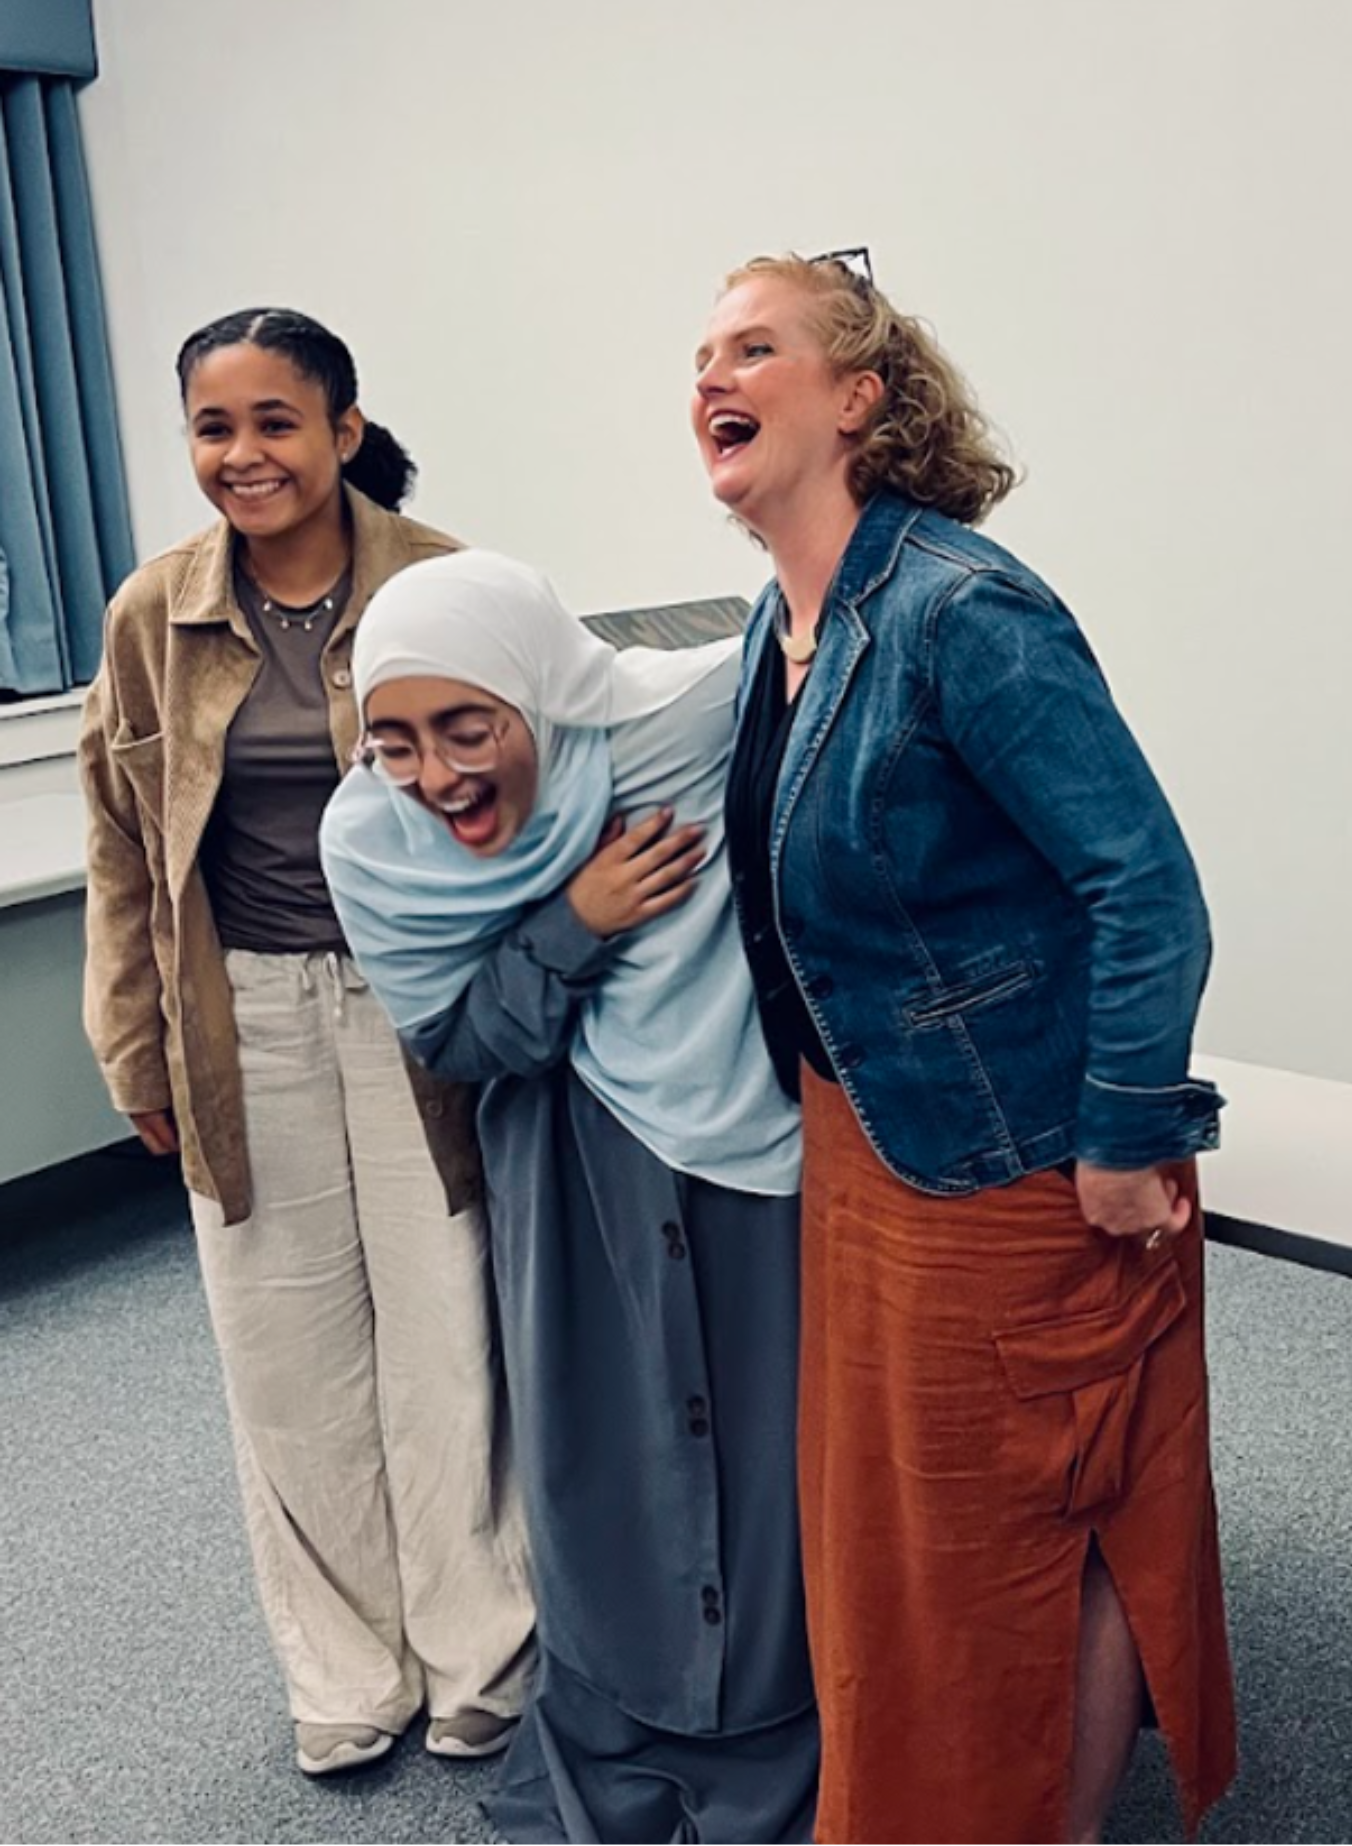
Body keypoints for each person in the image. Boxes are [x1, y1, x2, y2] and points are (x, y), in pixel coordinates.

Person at [692, 251, 1238, 1845]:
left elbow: (1147, 884)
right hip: (874, 1142)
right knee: (913, 1554)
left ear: (860, 398)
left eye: (756, 346)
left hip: (1013, 1162)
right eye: (700, 355)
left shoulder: (960, 608)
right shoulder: (779, 621)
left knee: (1020, 1533)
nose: (712, 377)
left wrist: (1129, 1133)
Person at [79, 309, 535, 1777]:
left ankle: (482, 1657)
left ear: (342, 430)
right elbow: (121, 853)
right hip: (242, 1015)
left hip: (420, 1012)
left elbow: (541, 797)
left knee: (448, 1339)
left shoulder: (449, 582)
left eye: (276, 422)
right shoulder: (155, 613)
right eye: (215, 428)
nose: (244, 454)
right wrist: (135, 1052)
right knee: (287, 1358)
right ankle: (346, 1670)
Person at [320, 549, 818, 1844]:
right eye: (395, 740)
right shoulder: (376, 847)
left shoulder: (667, 731)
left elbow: (808, 637)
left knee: (773, 1452)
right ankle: (629, 1733)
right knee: (608, 1462)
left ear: (541, 693)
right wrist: (573, 919)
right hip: (574, 1173)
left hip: (748, 1146)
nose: (435, 776)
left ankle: (785, 1734)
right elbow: (458, 1037)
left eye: (467, 725)